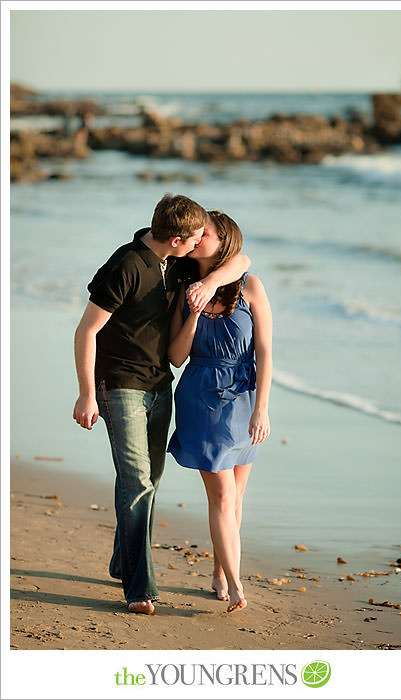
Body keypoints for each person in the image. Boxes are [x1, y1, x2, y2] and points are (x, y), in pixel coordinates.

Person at [73, 194, 250, 615]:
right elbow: (86, 331)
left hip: (159, 387)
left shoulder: (181, 263)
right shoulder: (126, 266)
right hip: (119, 386)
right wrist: (85, 392)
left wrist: (207, 283)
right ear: (175, 239)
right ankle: (140, 588)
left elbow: (241, 259)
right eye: (194, 238)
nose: (198, 244)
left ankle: (123, 558)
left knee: (145, 481)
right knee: (137, 483)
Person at [167, 210, 272, 613]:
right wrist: (194, 311)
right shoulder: (187, 289)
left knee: (236, 496)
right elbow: (177, 357)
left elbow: (264, 351)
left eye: (203, 233)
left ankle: (218, 573)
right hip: (202, 398)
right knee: (223, 496)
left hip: (244, 398)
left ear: (222, 239)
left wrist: (262, 408)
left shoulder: (251, 286)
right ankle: (237, 582)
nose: (195, 238)